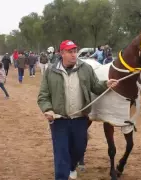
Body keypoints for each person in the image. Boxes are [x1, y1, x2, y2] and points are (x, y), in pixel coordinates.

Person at [37, 40, 119, 180]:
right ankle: (63, 174)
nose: (74, 55)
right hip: (59, 120)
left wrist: (106, 84)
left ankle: (71, 166)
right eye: (70, 52)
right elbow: (43, 96)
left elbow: (95, 87)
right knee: (61, 154)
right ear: (62, 53)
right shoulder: (51, 71)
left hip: (80, 120)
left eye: (75, 51)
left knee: (79, 149)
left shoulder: (86, 68)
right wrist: (48, 109)